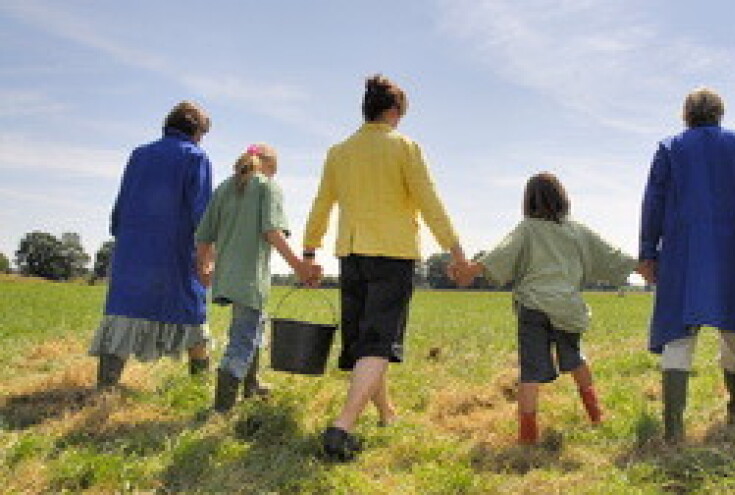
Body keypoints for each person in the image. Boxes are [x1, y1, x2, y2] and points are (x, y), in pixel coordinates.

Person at [303, 74, 466, 461]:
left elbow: (321, 204)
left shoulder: (339, 152)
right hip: (392, 255)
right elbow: (430, 202)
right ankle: (342, 428)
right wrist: (457, 253)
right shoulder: (405, 148)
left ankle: (387, 414)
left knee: (365, 343)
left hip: (352, 254)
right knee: (377, 344)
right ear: (393, 112)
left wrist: (310, 254)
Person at [636, 88, 735, 443]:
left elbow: (652, 204)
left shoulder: (670, 149)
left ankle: (674, 429)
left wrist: (647, 252)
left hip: (684, 251)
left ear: (685, 114)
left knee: (678, 336)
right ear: (720, 113)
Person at [451, 172, 603, 445]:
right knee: (575, 358)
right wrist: (642, 266)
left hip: (533, 307)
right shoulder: (577, 231)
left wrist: (472, 269)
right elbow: (609, 254)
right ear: (562, 199)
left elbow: (502, 253)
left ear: (528, 201)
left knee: (530, 372)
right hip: (567, 309)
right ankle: (596, 416)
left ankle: (528, 437)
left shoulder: (527, 229)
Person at [89, 101, 214, 388]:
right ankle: (198, 388)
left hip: (132, 252)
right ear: (197, 133)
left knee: (123, 314)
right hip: (174, 253)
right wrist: (207, 257)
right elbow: (204, 216)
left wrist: (124, 238)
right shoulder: (196, 157)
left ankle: (105, 389)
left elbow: (119, 209)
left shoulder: (139, 155)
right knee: (192, 316)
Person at [195, 143, 321, 413]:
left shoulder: (224, 187)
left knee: (252, 328)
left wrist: (203, 266)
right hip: (250, 279)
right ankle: (221, 410)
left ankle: (251, 387)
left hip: (226, 277)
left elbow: (204, 235)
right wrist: (300, 266)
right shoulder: (267, 186)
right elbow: (272, 232)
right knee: (243, 339)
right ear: (271, 166)